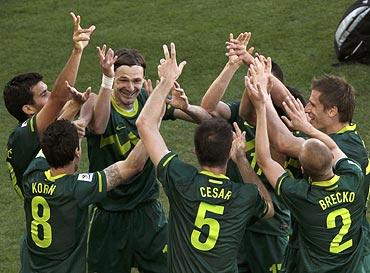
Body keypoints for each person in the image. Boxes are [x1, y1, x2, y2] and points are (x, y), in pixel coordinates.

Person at [136, 42, 274, 273]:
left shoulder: (181, 178)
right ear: (229, 150)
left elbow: (145, 124)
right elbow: (269, 208)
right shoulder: (244, 195)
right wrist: (240, 159)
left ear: (196, 151)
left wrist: (166, 81)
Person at [85, 45, 210, 273]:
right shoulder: (98, 102)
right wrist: (106, 79)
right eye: (123, 80)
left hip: (147, 213)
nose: (131, 88)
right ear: (113, 78)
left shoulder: (145, 99)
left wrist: (188, 107)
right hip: (110, 215)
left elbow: (206, 120)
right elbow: (99, 125)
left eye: (137, 81)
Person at [245, 66, 369, 272]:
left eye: (312, 104)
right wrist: (262, 73)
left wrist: (262, 101)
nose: (305, 109)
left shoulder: (303, 196)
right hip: (349, 257)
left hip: (314, 257)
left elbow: (279, 147)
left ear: (332, 111)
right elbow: (331, 146)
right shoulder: (351, 170)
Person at [201, 33, 291, 273]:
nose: (249, 87)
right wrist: (233, 66)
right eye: (248, 81)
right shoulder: (240, 115)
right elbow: (207, 106)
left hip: (269, 226)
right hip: (238, 219)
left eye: (255, 83)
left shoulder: (285, 126)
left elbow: (274, 158)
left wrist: (255, 65)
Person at [21, 119, 148, 273]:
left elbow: (45, 147)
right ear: (77, 152)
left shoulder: (31, 175)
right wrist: (150, 128)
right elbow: (133, 165)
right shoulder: (77, 189)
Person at [4, 12, 95, 198]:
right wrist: (77, 51)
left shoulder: (34, 134)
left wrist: (76, 105)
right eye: (44, 94)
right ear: (28, 109)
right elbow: (59, 100)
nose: (51, 94)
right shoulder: (21, 136)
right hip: (53, 211)